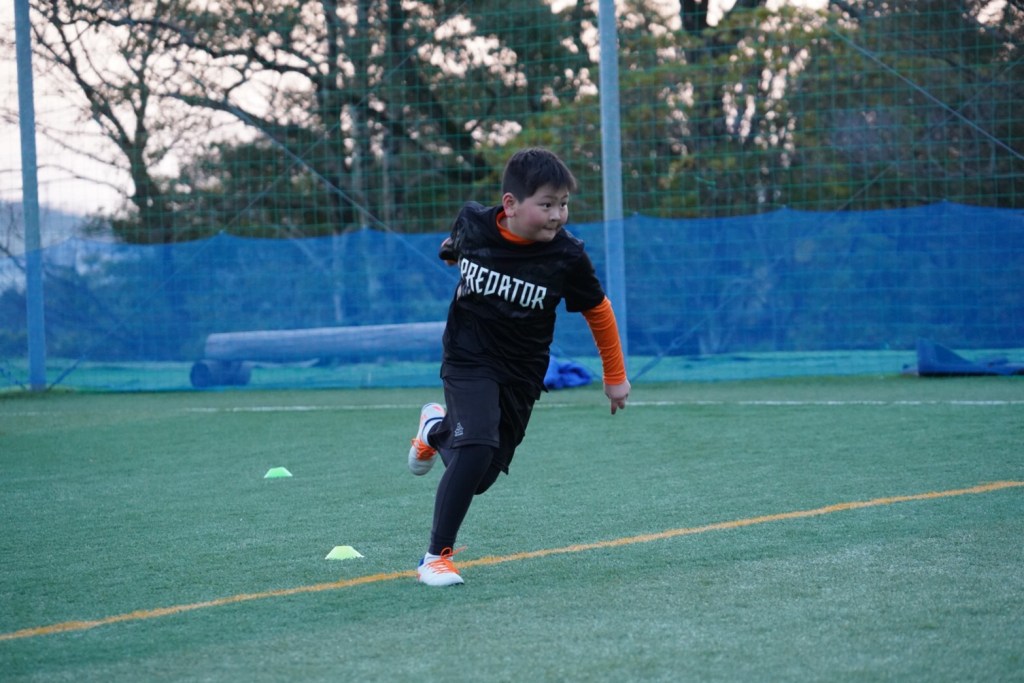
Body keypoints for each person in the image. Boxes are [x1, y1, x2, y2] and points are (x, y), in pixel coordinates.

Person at [407, 147, 630, 586]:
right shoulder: (474, 222)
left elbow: (598, 311)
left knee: (480, 476)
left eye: (563, 204)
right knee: (475, 447)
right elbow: (454, 246)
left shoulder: (567, 256)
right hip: (468, 356)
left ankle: (435, 429)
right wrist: (451, 252)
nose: (557, 215)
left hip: (522, 372)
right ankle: (435, 557)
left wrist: (615, 376)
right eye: (546, 204)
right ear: (510, 205)